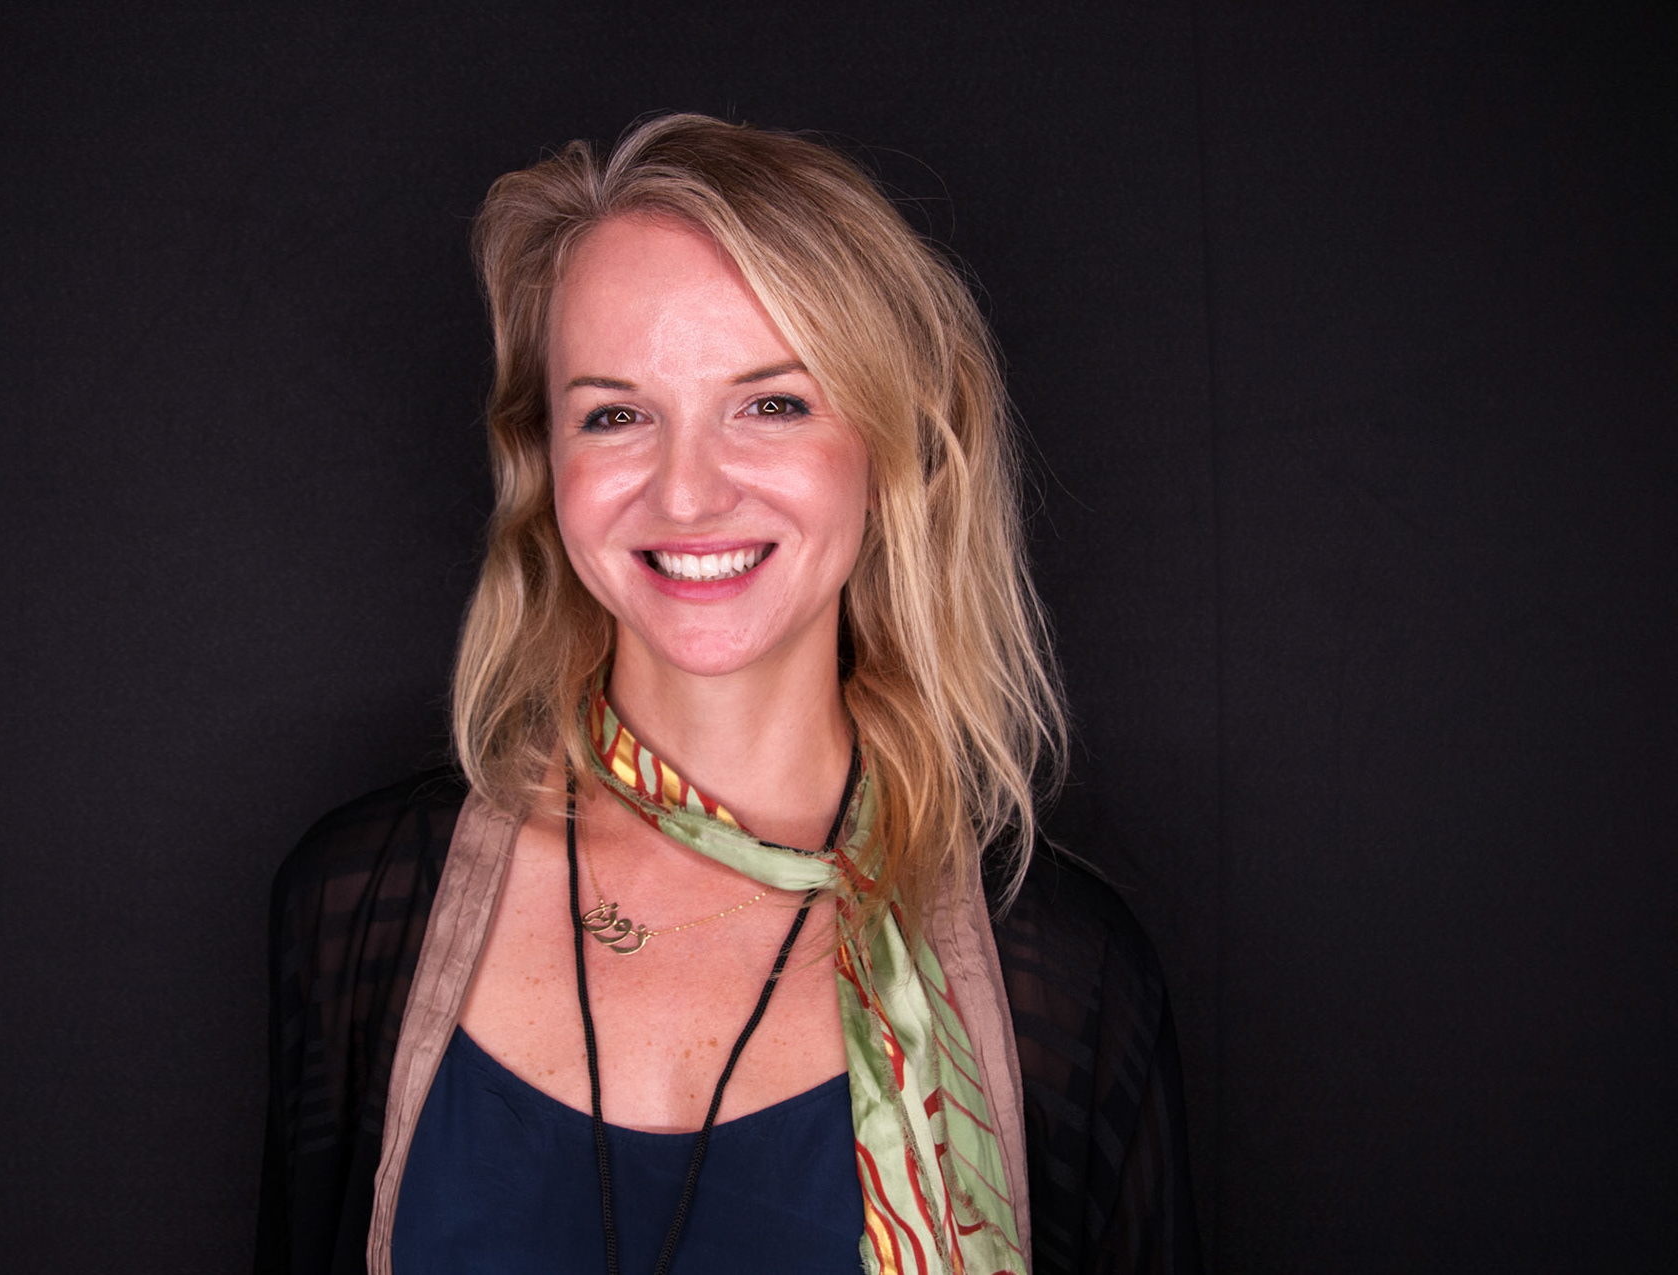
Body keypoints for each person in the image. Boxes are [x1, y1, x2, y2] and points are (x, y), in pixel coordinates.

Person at [256, 114, 1201, 1275]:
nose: (688, 493)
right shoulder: (357, 912)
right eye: (616, 414)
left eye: (773, 403)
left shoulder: (1065, 981)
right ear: (546, 462)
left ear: (891, 447)